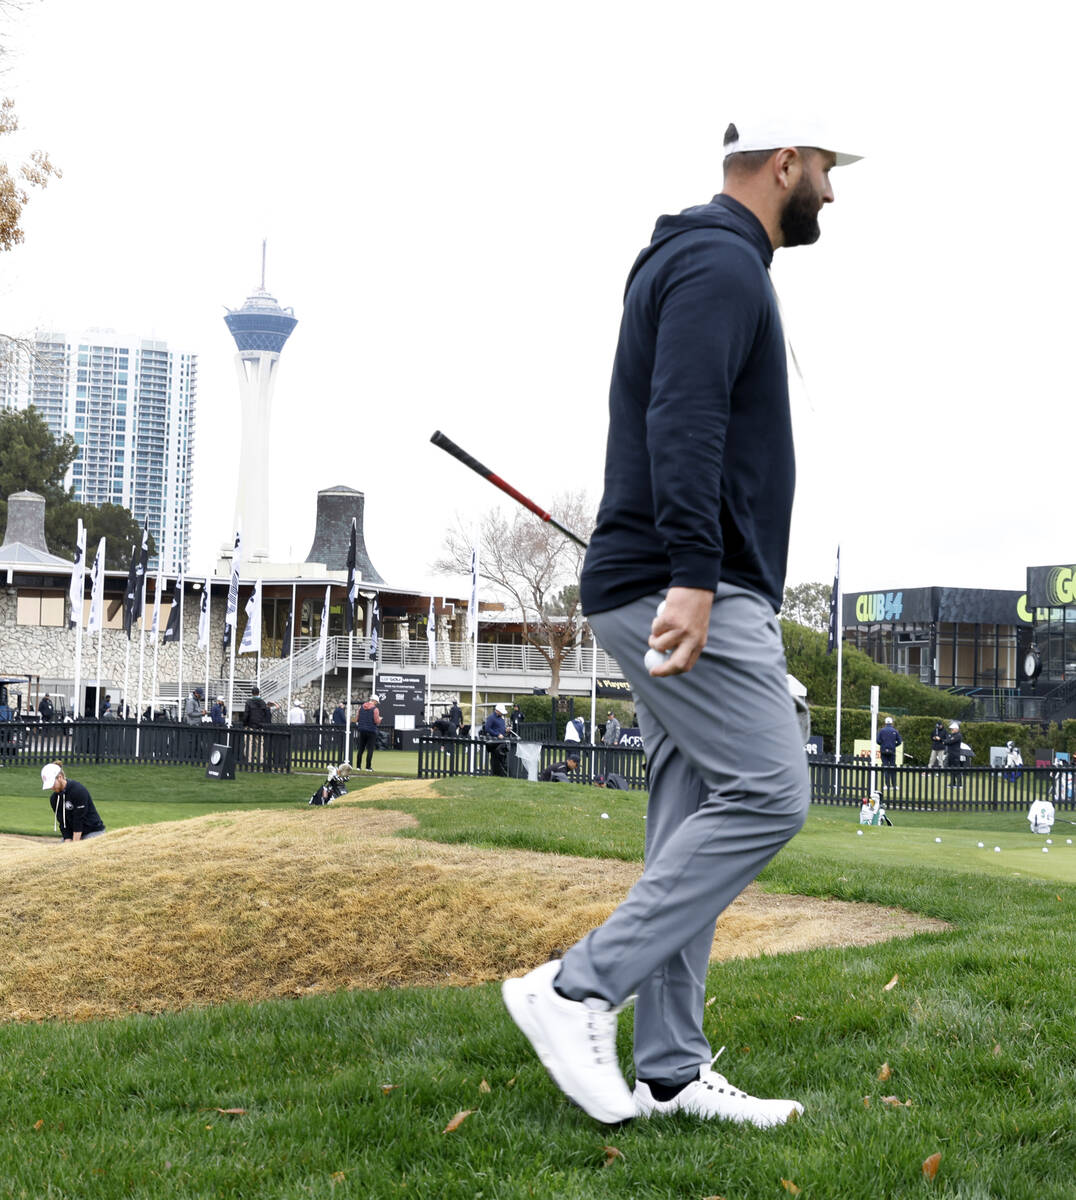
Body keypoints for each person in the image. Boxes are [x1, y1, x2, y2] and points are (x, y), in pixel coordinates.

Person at [502, 118, 859, 1127]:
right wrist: (698, 578)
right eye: (827, 170)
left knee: (687, 810)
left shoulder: (703, 257)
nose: (831, 194)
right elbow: (685, 414)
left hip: (665, 575)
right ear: (785, 161)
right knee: (768, 790)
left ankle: (667, 1066)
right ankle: (574, 988)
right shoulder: (719, 263)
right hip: (684, 582)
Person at [41, 761, 105, 841]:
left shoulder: (78, 791)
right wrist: (67, 840)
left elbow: (79, 820)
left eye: (52, 784)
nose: (51, 788)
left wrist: (74, 846)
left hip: (93, 831)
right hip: (74, 834)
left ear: (60, 777)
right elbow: (63, 824)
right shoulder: (54, 799)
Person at [482, 703, 510, 777]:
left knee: (502, 758)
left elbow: (500, 728)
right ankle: (496, 773)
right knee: (495, 758)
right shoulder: (491, 718)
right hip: (494, 741)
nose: (502, 713)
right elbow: (487, 728)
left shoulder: (501, 718)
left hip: (501, 740)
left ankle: (501, 774)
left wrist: (505, 730)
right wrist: (497, 734)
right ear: (497, 711)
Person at [355, 693, 382, 772]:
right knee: (370, 749)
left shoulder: (361, 708)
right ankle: (368, 767)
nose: (377, 703)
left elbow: (357, 719)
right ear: (375, 701)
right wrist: (380, 719)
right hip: (371, 731)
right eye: (377, 702)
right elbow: (377, 721)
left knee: (360, 749)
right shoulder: (375, 709)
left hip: (362, 730)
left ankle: (358, 767)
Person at [876, 716, 902, 790]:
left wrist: (883, 745)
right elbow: (899, 742)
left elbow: (878, 741)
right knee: (892, 768)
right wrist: (894, 745)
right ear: (891, 723)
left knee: (886, 768)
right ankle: (894, 786)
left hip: (883, 751)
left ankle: (887, 785)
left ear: (885, 723)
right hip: (892, 751)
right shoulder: (895, 731)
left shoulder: (881, 731)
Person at [944, 721, 965, 787]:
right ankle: (952, 783)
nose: (951, 730)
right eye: (951, 729)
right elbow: (946, 741)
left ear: (956, 729)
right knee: (951, 769)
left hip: (955, 754)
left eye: (952, 729)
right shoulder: (952, 735)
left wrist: (948, 740)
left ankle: (959, 784)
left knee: (957, 769)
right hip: (950, 754)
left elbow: (949, 741)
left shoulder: (958, 735)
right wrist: (947, 740)